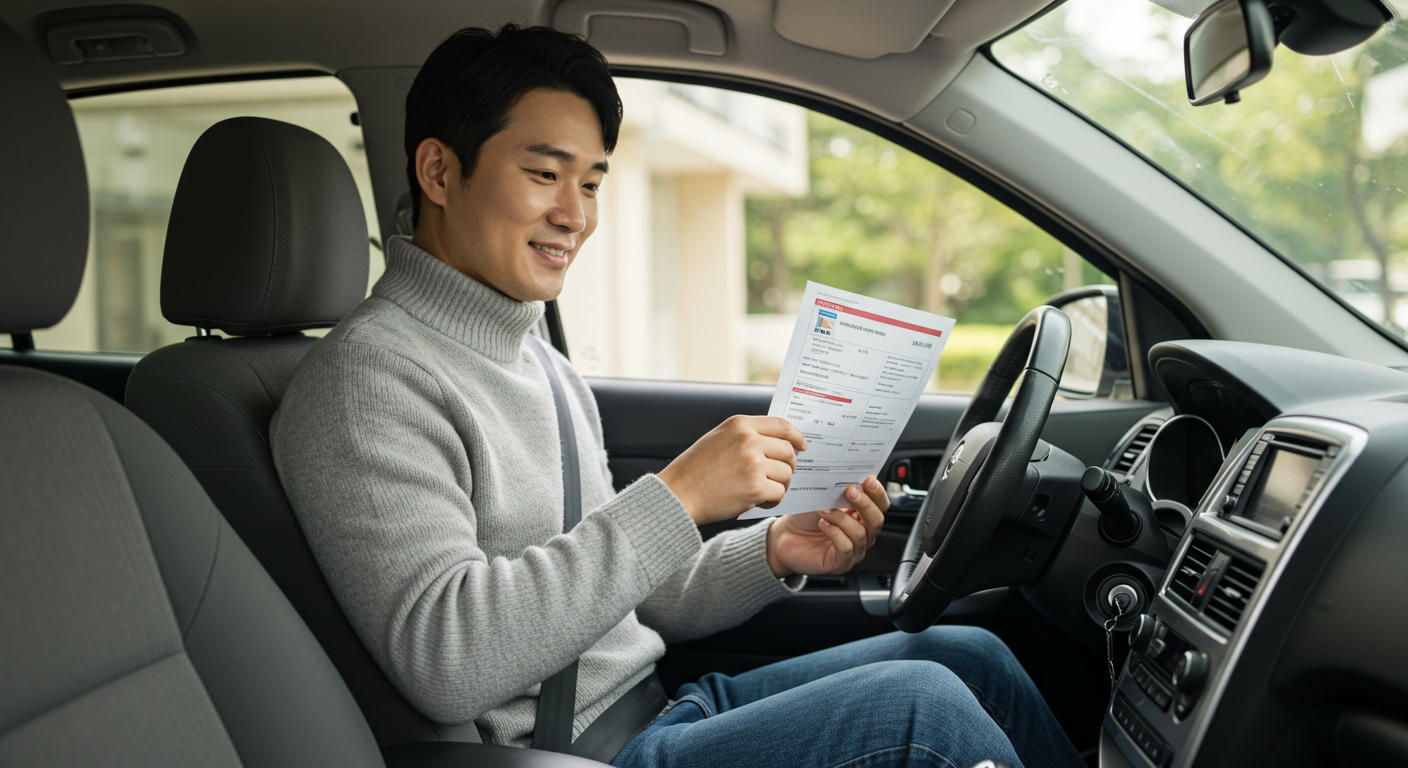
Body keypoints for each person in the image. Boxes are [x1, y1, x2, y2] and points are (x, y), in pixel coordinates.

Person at [271, 24, 1085, 768]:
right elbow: (447, 657)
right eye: (544, 174)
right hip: (569, 754)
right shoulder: (366, 383)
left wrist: (774, 552)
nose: (574, 215)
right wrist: (681, 495)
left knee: (967, 655)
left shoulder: (536, 361)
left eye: (591, 183)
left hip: (663, 711)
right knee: (925, 711)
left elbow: (631, 592)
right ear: (440, 170)